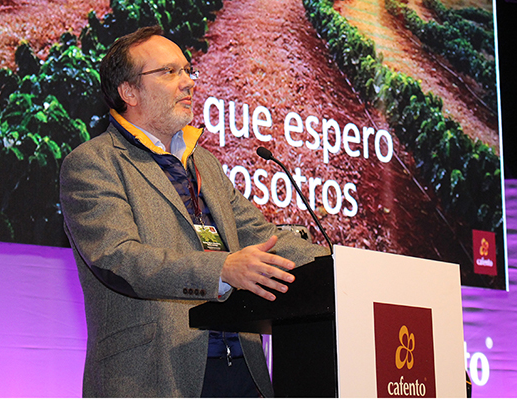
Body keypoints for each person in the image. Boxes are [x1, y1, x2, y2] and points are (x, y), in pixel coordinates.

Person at [59, 25, 329, 397]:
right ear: (129, 91)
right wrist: (222, 269)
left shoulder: (204, 163)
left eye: (188, 70)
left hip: (242, 373)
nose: (187, 82)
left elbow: (263, 237)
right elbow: (118, 258)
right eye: (169, 72)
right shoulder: (93, 163)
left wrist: (341, 267)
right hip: (154, 376)